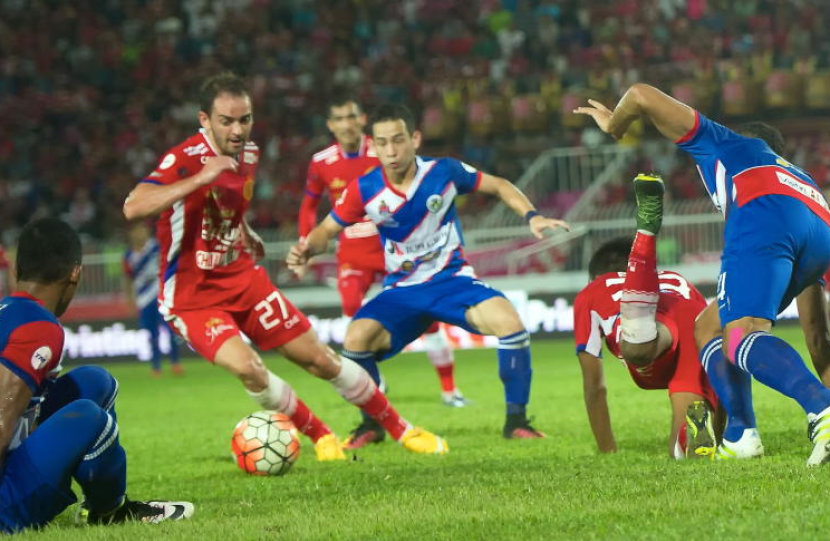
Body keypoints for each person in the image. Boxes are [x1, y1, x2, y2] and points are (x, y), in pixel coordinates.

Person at [123, 72, 447, 460]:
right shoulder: (185, 158)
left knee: (321, 359)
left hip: (242, 277)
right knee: (249, 368)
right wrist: (201, 177)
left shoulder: (250, 154)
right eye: (226, 121)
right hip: (192, 295)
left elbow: (225, 206)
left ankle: (403, 430)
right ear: (204, 119)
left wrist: (244, 230)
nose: (237, 129)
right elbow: (134, 206)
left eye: (244, 119)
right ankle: (322, 436)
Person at [576, 84, 830, 465]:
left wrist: (615, 125)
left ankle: (821, 408)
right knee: (709, 327)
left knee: (741, 334)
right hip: (819, 227)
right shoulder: (800, 177)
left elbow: (641, 94)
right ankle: (740, 434)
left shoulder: (727, 144)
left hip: (763, 216)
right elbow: (816, 335)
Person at [288, 103, 570, 439]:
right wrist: (307, 248)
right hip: (402, 291)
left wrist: (532, 216)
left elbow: (499, 185)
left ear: (415, 139)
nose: (391, 151)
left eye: (398, 140)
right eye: (382, 143)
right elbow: (326, 230)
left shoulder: (444, 171)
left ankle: (517, 422)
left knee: (510, 324)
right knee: (356, 339)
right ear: (374, 145)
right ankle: (371, 425)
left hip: (452, 281)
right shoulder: (365, 188)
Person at [0, 218, 193, 534]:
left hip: (11, 459)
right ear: (75, 272)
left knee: (93, 382)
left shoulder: (10, 312)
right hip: (4, 503)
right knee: (89, 417)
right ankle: (109, 511)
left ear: (17, 269)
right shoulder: (37, 327)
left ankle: (101, 504)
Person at [299, 97, 467, 449]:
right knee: (353, 316)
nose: (346, 124)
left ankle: (450, 390)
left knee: (428, 320)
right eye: (339, 118)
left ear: (361, 120)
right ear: (330, 125)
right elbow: (309, 205)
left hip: (393, 248)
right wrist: (306, 244)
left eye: (351, 117)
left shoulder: (383, 147)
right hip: (353, 253)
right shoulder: (320, 162)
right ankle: (374, 389)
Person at [573, 174, 719, 459]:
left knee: (638, 349)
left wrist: (607, 450)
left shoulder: (593, 290)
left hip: (650, 333)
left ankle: (644, 246)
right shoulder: (675, 278)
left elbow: (594, 386)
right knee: (687, 446)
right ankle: (712, 437)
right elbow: (710, 348)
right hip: (691, 320)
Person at [123, 221, 184, 377]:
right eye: (136, 230)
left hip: (161, 295)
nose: (139, 234)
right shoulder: (128, 256)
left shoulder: (156, 248)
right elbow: (128, 279)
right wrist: (130, 300)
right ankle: (156, 366)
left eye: (142, 230)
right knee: (152, 334)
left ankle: (175, 362)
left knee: (170, 329)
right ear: (131, 234)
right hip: (143, 299)